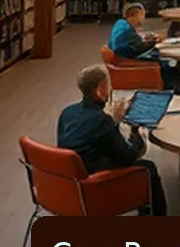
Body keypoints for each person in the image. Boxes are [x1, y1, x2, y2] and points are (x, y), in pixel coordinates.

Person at [57, 63, 167, 215]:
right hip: (93, 180)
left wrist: (113, 121)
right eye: (107, 86)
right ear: (99, 91)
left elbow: (91, 136)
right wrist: (135, 131)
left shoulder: (67, 112)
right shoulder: (101, 120)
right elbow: (127, 157)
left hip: (70, 179)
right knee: (148, 168)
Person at [109, 1, 180, 91]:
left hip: (120, 53)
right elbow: (139, 48)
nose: (143, 18)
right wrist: (154, 42)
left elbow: (134, 41)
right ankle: (171, 87)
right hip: (127, 56)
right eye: (142, 15)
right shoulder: (126, 30)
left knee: (159, 56)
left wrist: (146, 40)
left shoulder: (121, 23)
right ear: (136, 15)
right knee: (163, 61)